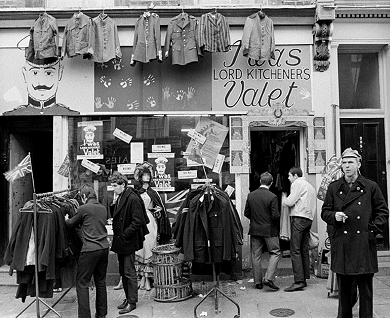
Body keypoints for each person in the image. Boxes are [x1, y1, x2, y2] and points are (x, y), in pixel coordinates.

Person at [321, 148, 389, 318]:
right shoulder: (334, 187)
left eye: (351, 162)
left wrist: (370, 232)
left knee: (365, 293)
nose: (347, 166)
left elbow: (383, 212)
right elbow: (325, 212)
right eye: (344, 163)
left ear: (358, 164)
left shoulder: (370, 186)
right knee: (344, 295)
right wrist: (334, 216)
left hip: (363, 246)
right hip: (343, 246)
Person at [65, 186, 109, 318]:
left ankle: (84, 316)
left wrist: (66, 218)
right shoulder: (102, 208)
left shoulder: (83, 208)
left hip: (89, 249)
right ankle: (101, 314)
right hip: (104, 248)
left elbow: (71, 223)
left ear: (84, 197)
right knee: (100, 281)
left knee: (82, 282)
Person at [109, 171, 149, 315]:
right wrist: (113, 205)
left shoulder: (133, 198)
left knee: (129, 271)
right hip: (121, 240)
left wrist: (125, 234)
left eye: (115, 185)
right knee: (123, 272)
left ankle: (132, 301)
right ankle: (127, 298)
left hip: (128, 240)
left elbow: (138, 221)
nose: (113, 188)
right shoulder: (120, 197)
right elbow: (117, 215)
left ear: (123, 184)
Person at [3, 57, 79, 116]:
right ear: (25, 74)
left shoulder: (70, 114)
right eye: (35, 73)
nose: (41, 82)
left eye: (48, 73)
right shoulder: (12, 115)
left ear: (60, 73)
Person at [244, 172, 281, 290]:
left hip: (255, 229)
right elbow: (275, 216)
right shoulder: (272, 196)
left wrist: (255, 219)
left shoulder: (251, 195)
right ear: (271, 183)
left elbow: (246, 213)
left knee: (256, 255)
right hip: (269, 230)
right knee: (275, 252)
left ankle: (257, 282)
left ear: (260, 181)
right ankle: (269, 278)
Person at [282, 166, 316, 292]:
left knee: (295, 249)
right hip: (308, 219)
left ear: (295, 175)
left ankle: (298, 281)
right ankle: (304, 277)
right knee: (303, 249)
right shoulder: (310, 186)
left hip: (299, 218)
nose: (288, 178)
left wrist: (284, 199)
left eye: (289, 176)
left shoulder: (297, 184)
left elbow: (290, 201)